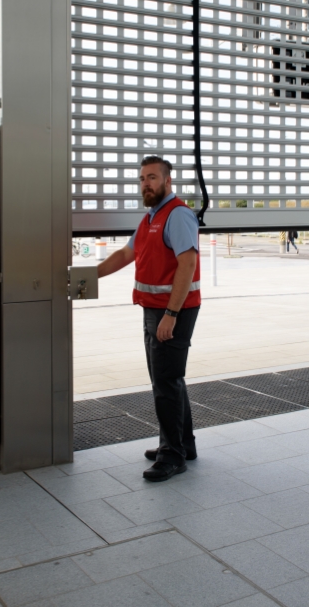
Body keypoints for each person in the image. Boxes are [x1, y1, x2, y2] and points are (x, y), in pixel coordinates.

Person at [96, 156, 201, 482]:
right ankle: (183, 443)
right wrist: (87, 276)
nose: (146, 184)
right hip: (154, 309)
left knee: (165, 382)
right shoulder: (150, 218)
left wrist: (170, 314)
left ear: (168, 181)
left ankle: (173, 456)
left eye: (152, 177)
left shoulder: (177, 215)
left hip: (173, 311)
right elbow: (128, 254)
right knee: (169, 378)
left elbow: (187, 265)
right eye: (142, 178)